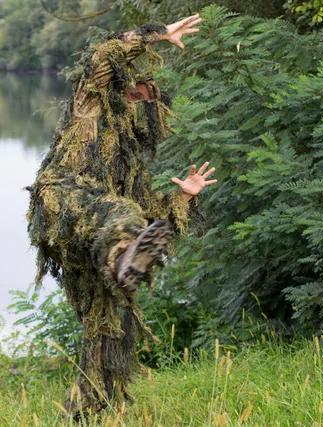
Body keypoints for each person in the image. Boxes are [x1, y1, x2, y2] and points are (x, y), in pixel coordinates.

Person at [26, 14, 217, 415]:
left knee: (110, 323)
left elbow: (153, 222)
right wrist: (157, 36)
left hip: (93, 243)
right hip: (63, 199)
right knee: (120, 214)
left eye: (149, 97)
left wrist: (182, 200)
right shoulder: (91, 106)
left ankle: (87, 412)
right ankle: (123, 261)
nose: (142, 97)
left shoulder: (131, 173)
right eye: (137, 90)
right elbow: (104, 54)